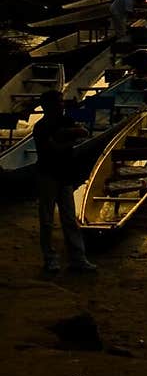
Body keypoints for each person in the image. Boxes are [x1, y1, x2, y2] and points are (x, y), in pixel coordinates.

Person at [32, 90, 97, 275]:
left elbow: (83, 132)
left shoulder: (65, 121)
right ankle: (50, 259)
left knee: (69, 219)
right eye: (58, 102)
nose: (62, 105)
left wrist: (65, 133)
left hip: (65, 176)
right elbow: (52, 148)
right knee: (46, 220)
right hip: (47, 176)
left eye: (61, 102)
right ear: (48, 106)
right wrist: (67, 138)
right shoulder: (41, 127)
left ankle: (78, 259)